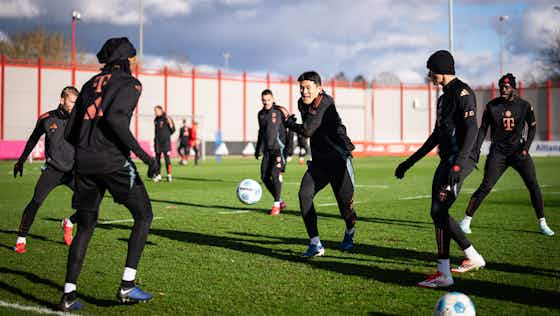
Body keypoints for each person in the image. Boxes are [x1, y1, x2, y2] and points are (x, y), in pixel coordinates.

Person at [60, 37, 158, 311]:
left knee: (86, 227)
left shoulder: (89, 84)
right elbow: (115, 119)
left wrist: (85, 153)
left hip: (84, 163)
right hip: (113, 162)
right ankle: (127, 284)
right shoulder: (131, 83)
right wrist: (145, 156)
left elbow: (69, 132)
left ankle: (68, 295)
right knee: (144, 214)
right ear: (127, 60)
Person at [394, 50, 485, 288]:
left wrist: (458, 164)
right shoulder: (444, 98)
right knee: (437, 212)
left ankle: (445, 273)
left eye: (431, 71)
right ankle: (471, 257)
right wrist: (409, 162)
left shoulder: (463, 93)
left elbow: (472, 131)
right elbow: (437, 135)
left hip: (459, 161)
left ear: (440, 70)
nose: (429, 75)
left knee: (439, 210)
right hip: (447, 160)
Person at [459, 73, 555, 236]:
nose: (503, 89)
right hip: (498, 153)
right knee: (486, 186)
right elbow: (483, 129)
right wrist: (476, 149)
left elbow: (532, 127)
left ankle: (542, 223)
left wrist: (526, 147)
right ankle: (465, 221)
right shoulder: (491, 106)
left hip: (518, 152)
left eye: (507, 86)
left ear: (513, 88)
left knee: (533, 185)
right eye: (501, 86)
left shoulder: (524, 105)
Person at [284, 71, 357, 257]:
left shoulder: (326, 102)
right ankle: (315, 244)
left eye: (308, 88)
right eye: (301, 88)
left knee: (345, 209)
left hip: (339, 161)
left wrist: (288, 123)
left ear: (319, 88)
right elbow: (309, 128)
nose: (304, 92)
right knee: (304, 194)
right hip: (319, 162)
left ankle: (350, 231)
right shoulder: (302, 103)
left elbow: (307, 130)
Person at [13, 86, 80, 253]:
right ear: (62, 100)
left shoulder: (80, 118)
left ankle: (69, 222)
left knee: (91, 203)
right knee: (36, 202)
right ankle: (21, 239)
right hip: (52, 170)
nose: (74, 105)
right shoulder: (46, 118)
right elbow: (32, 140)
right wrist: (20, 161)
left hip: (73, 171)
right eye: (72, 101)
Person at [255, 89, 291, 215]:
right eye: (264, 100)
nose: (266, 102)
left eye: (268, 100)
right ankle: (280, 200)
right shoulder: (260, 114)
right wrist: (257, 149)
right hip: (267, 151)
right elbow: (261, 132)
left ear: (273, 99)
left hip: (279, 150)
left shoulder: (280, 111)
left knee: (275, 175)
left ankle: (276, 206)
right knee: (264, 177)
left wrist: (289, 149)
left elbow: (290, 128)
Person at [153, 105, 175, 182]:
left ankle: (169, 175)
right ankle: (158, 175)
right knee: (157, 160)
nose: (155, 112)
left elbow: (173, 130)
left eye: (156, 111)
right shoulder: (156, 119)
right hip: (158, 143)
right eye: (154, 111)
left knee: (167, 159)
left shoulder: (167, 118)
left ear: (161, 110)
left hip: (165, 143)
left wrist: (171, 125)